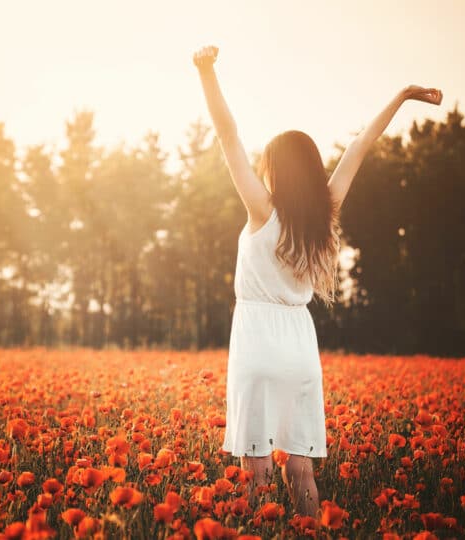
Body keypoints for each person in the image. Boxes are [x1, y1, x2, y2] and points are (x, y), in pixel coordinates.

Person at [192, 44, 442, 519]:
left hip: (258, 341)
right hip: (301, 347)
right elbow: (358, 148)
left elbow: (227, 136)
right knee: (300, 472)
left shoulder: (261, 210)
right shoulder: (324, 213)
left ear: (274, 169)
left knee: (257, 471)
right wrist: (402, 96)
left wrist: (206, 73)